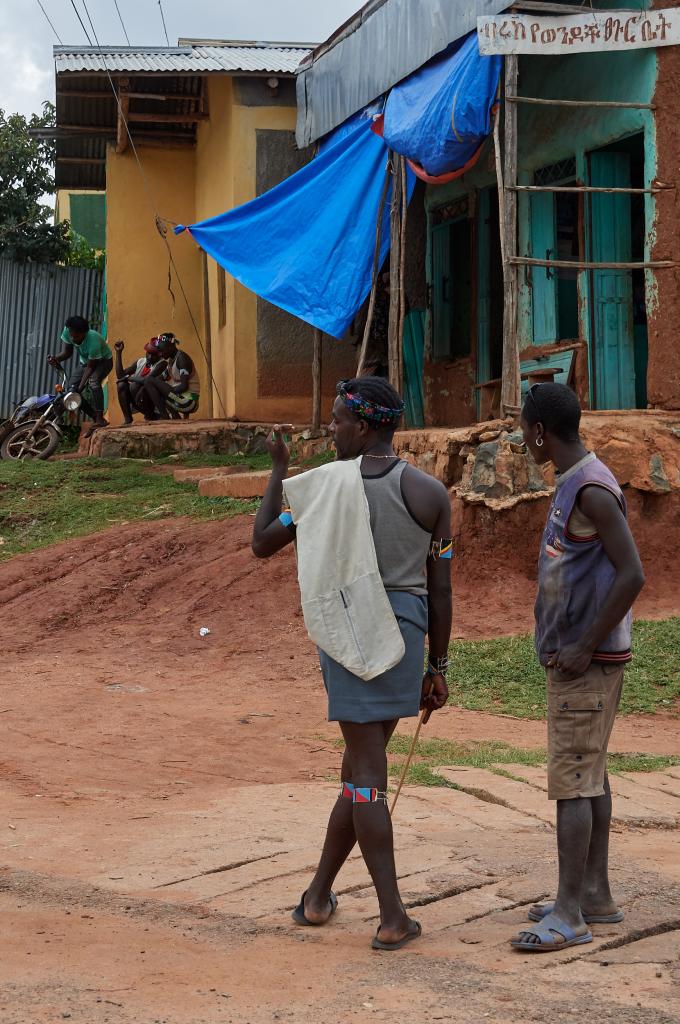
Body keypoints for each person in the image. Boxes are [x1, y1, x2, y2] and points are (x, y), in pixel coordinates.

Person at [252, 377, 453, 951]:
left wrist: (278, 471)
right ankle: (318, 896)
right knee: (360, 771)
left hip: (348, 634)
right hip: (405, 637)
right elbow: (440, 590)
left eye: (339, 420)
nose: (332, 428)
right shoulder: (429, 493)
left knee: (364, 775)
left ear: (364, 427)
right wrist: (437, 665)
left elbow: (263, 541)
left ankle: (391, 917)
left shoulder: (319, 491)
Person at [511, 383, 645, 953]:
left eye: (523, 428)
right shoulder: (575, 483)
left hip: (586, 663)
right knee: (590, 773)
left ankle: (569, 915)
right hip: (579, 656)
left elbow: (632, 572)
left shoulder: (591, 489)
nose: (522, 438)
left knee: (572, 781)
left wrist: (585, 645)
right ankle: (594, 893)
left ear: (540, 432)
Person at [48, 315, 113, 436]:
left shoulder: (93, 340)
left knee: (93, 382)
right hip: (85, 363)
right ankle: (94, 416)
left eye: (76, 336)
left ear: (84, 333)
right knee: (70, 392)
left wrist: (81, 387)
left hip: (103, 362)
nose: (73, 338)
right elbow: (68, 352)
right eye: (71, 335)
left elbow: (91, 367)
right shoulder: (68, 331)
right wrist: (56, 358)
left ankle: (99, 418)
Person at [141, 332, 200, 420]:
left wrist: (166, 391)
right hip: (179, 399)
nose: (160, 354)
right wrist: (145, 387)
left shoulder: (182, 359)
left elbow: (184, 386)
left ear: (170, 347)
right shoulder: (171, 361)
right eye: (159, 351)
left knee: (150, 382)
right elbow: (159, 379)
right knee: (149, 383)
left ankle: (165, 416)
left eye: (161, 350)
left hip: (189, 402)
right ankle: (175, 417)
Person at [114, 337, 167, 425]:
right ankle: (128, 419)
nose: (149, 357)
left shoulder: (162, 364)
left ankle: (152, 415)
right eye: (148, 353)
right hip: (138, 400)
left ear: (159, 355)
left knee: (138, 386)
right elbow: (120, 375)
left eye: (153, 354)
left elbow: (147, 380)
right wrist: (118, 353)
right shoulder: (141, 361)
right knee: (121, 385)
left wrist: (128, 378)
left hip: (153, 403)